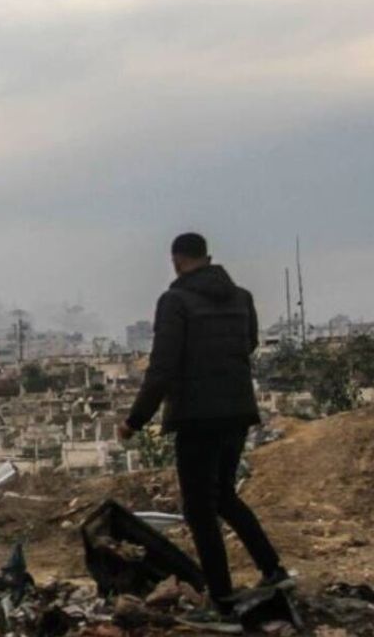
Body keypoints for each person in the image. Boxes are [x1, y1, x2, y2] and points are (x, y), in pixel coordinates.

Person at [118, 233, 291, 632]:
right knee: (224, 495)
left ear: (176, 261)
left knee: (199, 508)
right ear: (207, 258)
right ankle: (272, 569)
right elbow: (248, 344)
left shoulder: (175, 301)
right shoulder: (241, 297)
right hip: (237, 411)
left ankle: (223, 601)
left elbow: (162, 368)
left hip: (196, 416)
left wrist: (135, 420)